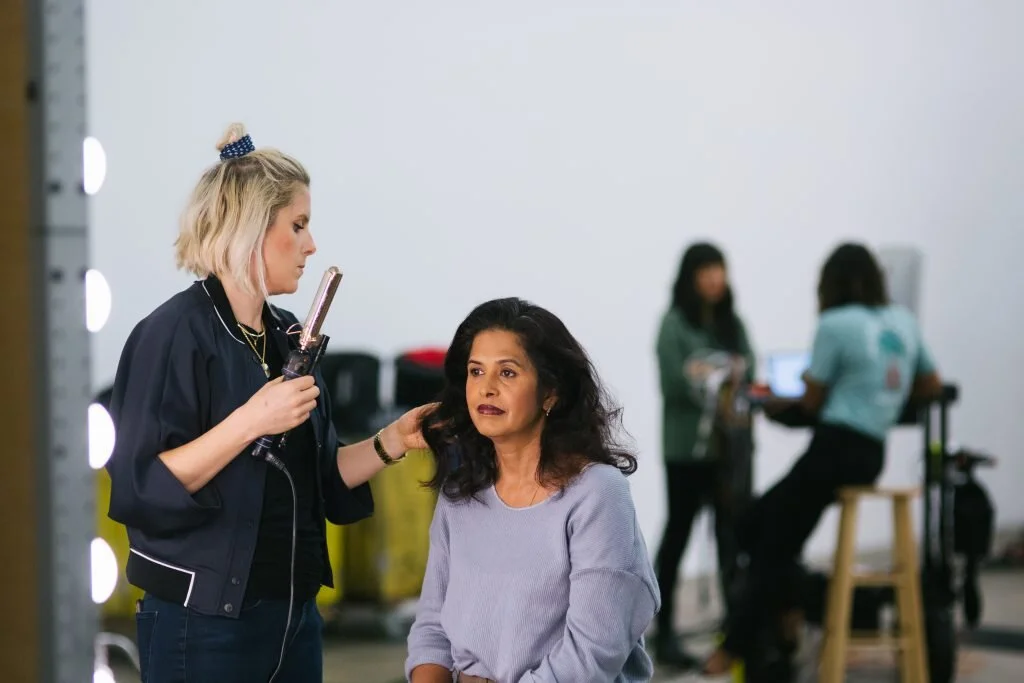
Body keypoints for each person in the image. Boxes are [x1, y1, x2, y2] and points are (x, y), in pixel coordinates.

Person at [104, 123, 431, 683]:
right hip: (203, 626)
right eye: (298, 226)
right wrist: (250, 422)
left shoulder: (286, 337)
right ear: (251, 229)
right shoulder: (172, 335)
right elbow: (141, 482)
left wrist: (393, 440)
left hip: (294, 620)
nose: (311, 245)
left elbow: (320, 474)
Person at [702, 242, 943, 675]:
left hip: (833, 448)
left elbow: (811, 401)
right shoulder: (904, 322)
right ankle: (789, 612)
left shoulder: (834, 324)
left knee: (763, 536)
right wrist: (880, 396)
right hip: (871, 452)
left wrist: (776, 403)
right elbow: (930, 382)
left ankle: (742, 641)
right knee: (763, 529)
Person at [404, 297, 660, 683]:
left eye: (507, 373)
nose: (486, 389)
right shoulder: (460, 492)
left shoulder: (597, 494)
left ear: (550, 393)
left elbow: (590, 656)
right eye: (476, 371)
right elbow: (432, 630)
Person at [653, 242, 756, 668]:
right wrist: (719, 375)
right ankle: (665, 632)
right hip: (684, 452)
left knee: (732, 538)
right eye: (707, 270)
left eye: (721, 269)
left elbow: (749, 372)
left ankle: (733, 632)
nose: (716, 278)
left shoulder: (734, 324)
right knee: (678, 535)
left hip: (728, 451)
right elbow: (674, 384)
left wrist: (717, 375)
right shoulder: (673, 325)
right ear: (691, 276)